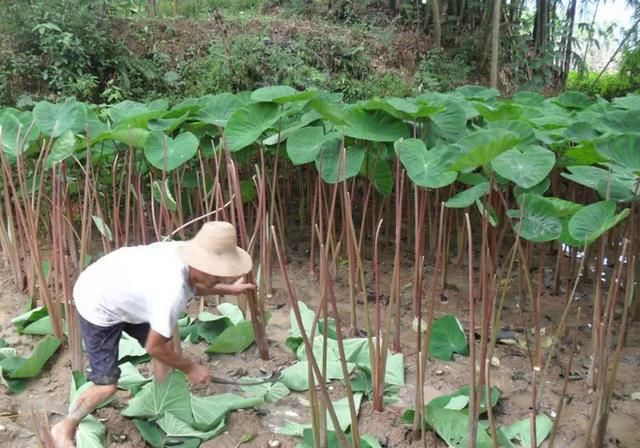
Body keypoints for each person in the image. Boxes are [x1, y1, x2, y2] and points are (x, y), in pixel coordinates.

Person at [50, 221, 255, 448]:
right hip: (98, 300)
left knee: (165, 349)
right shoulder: (171, 291)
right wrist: (191, 367)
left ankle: (158, 399)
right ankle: (64, 427)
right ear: (202, 266)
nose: (222, 278)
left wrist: (228, 289)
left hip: (122, 287)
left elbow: (196, 284)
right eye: (219, 275)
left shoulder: (186, 254)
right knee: (106, 385)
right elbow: (153, 346)